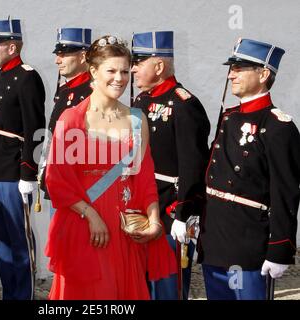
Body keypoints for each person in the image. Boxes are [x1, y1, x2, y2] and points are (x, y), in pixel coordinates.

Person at [45, 35, 177, 300]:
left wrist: (153, 220)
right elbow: (56, 180)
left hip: (123, 228)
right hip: (84, 225)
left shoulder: (137, 119)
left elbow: (144, 177)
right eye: (112, 70)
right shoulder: (71, 119)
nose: (120, 78)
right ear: (93, 71)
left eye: (125, 71)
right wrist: (91, 216)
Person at [197, 38, 300, 300]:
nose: (231, 74)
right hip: (215, 240)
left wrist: (280, 249)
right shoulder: (229, 117)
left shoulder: (279, 127)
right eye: (232, 68)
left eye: (240, 68)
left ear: (263, 74)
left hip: (248, 243)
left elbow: (285, 193)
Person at [131, 31, 210, 300]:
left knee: (167, 288)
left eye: (139, 62)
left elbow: (193, 165)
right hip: (141, 208)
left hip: (169, 210)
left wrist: (184, 213)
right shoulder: (141, 100)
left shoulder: (184, 105)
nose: (133, 69)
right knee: (141, 286)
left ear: (159, 65)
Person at [0, 17, 45, 300]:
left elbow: (36, 130)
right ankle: (9, 294)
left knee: (19, 241)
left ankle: (23, 295)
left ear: (12, 47)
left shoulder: (28, 77)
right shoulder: (3, 72)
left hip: (14, 172)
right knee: (1, 240)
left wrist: (29, 174)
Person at [40, 27, 93, 208]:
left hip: (76, 185)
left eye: (64, 54)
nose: (57, 60)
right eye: (58, 54)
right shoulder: (65, 90)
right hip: (59, 179)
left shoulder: (92, 92)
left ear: (83, 56)